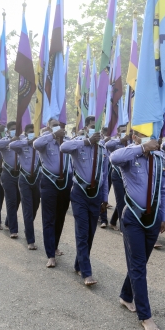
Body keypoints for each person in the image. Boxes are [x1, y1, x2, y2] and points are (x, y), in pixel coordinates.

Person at [110, 131, 165, 330]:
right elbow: (114, 157)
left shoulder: (159, 159)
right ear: (135, 137)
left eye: (151, 135)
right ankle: (145, 315)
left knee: (139, 263)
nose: (150, 138)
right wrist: (142, 148)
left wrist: (164, 215)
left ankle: (126, 295)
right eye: (144, 135)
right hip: (133, 217)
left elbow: (163, 189)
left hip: (153, 219)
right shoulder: (129, 155)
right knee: (138, 266)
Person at [60, 116, 109, 285]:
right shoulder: (78, 143)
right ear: (86, 127)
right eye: (92, 126)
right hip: (80, 194)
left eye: (98, 127)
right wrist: (86, 141)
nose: (95, 130)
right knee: (82, 232)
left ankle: (78, 263)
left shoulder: (103, 148)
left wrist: (104, 198)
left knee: (90, 234)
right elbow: (63, 147)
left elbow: (104, 175)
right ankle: (86, 273)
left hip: (95, 196)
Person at [33, 119, 73, 268]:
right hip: (49, 182)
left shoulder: (67, 141)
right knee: (49, 218)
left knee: (60, 216)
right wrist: (52, 135)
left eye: (60, 125)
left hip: (66, 182)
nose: (58, 128)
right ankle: (50, 255)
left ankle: (55, 246)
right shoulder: (45, 141)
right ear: (49, 127)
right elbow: (36, 144)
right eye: (54, 125)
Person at [10, 123, 41, 250]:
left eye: (34, 131)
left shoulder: (40, 144)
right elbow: (12, 145)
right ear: (26, 133)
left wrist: (36, 141)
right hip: (25, 178)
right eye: (30, 131)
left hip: (37, 178)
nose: (32, 133)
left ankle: (28, 227)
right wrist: (28, 141)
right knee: (27, 209)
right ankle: (30, 239)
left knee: (35, 207)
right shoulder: (22, 143)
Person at [0, 121, 22, 239]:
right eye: (13, 129)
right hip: (8, 174)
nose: (15, 130)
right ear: (8, 131)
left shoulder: (22, 140)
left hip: (20, 174)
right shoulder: (4, 140)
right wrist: (11, 140)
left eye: (17, 129)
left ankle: (8, 221)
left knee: (18, 200)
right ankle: (13, 230)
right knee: (11, 201)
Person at [105, 124, 131, 231]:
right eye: (123, 131)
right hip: (117, 175)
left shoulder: (131, 143)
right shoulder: (115, 142)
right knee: (121, 201)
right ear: (118, 132)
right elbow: (107, 145)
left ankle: (112, 221)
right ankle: (123, 228)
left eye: (127, 131)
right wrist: (121, 140)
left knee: (125, 200)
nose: (125, 132)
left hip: (128, 176)